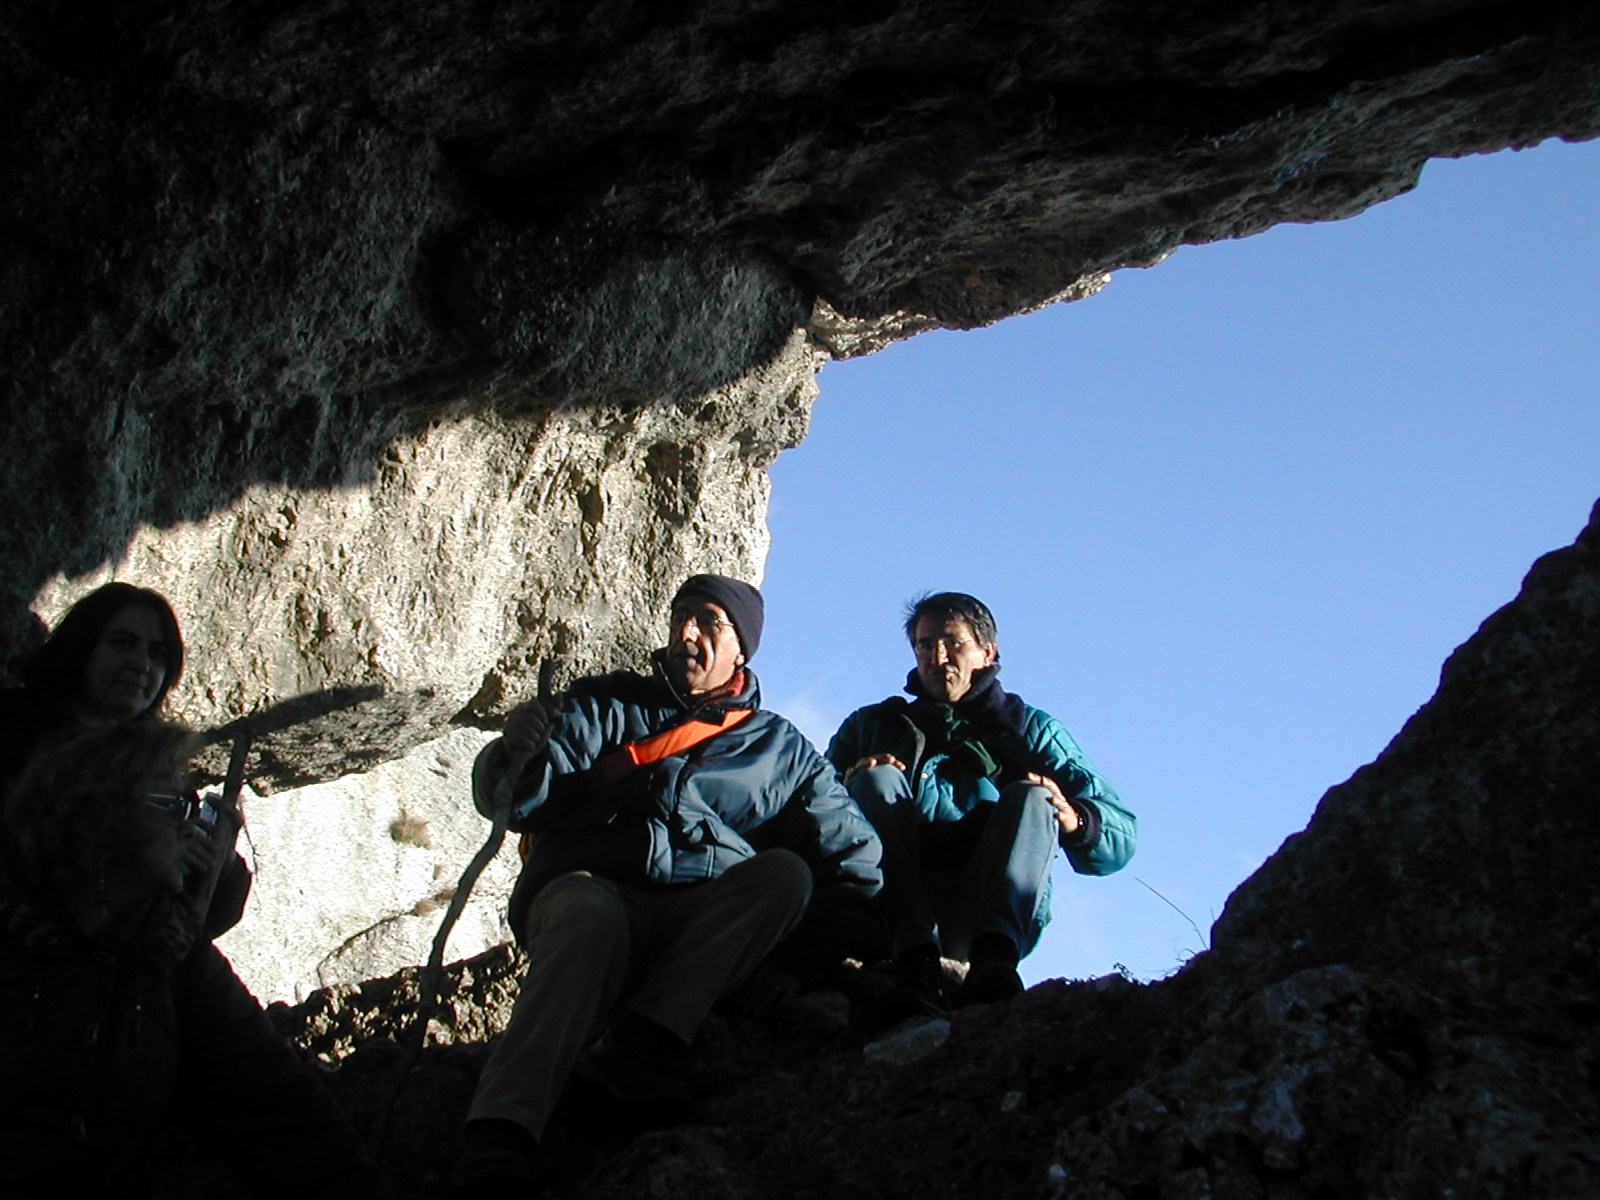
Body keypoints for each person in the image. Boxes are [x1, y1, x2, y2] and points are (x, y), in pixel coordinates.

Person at [451, 574, 882, 1194]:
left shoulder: (781, 749)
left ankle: (642, 1044)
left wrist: (800, 960)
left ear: (741, 648)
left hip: (698, 918)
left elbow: (857, 859)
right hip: (590, 885)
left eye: (709, 621)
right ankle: (498, 1134)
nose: (687, 633)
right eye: (682, 616)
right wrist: (516, 758)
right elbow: (519, 800)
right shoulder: (605, 705)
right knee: (589, 919)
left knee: (783, 874)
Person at [0, 720, 387, 1198]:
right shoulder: (14, 937)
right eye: (174, 805)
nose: (190, 825)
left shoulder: (167, 951)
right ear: (100, 816)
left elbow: (273, 1102)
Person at [828, 591, 1136, 1010]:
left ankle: (994, 962)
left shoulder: (1031, 731)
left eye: (953, 642)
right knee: (874, 778)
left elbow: (1120, 838)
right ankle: (914, 962)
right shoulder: (871, 726)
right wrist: (847, 792)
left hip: (981, 910)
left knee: (1035, 795)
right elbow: (812, 809)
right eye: (925, 645)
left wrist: (1075, 819)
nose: (938, 657)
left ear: (988, 652)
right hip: (887, 907)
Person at [1, 581, 250, 936]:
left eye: (158, 654)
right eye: (122, 643)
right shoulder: (16, 728)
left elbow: (198, 925)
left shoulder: (157, 770)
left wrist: (219, 865)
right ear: (83, 648)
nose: (141, 664)